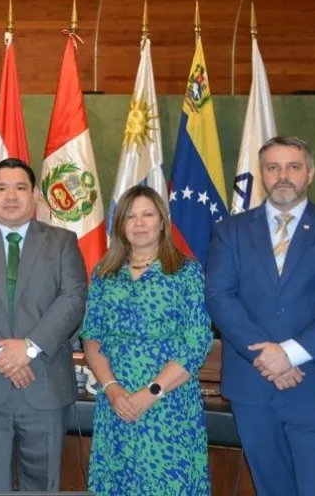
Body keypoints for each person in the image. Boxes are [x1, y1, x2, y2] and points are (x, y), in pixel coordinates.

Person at [206, 136, 315, 495]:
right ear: (262, 175)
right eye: (273, 167)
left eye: (293, 167)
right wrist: (266, 355)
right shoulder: (229, 232)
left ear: (310, 173)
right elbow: (220, 297)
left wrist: (290, 354)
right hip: (254, 388)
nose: (283, 176)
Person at [0, 158, 87, 491]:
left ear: (35, 194)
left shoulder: (63, 241)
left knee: (42, 486)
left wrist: (29, 348)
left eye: (20, 187)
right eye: (2, 188)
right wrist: (4, 356)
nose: (11, 196)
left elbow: (73, 299)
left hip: (44, 385)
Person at [82, 185, 213, 495]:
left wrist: (151, 393)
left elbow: (197, 343)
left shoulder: (186, 272)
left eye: (147, 214)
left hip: (169, 404)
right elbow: (92, 336)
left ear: (162, 222)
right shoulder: (105, 272)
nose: (139, 223)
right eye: (130, 216)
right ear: (120, 225)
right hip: (117, 402)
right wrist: (113, 390)